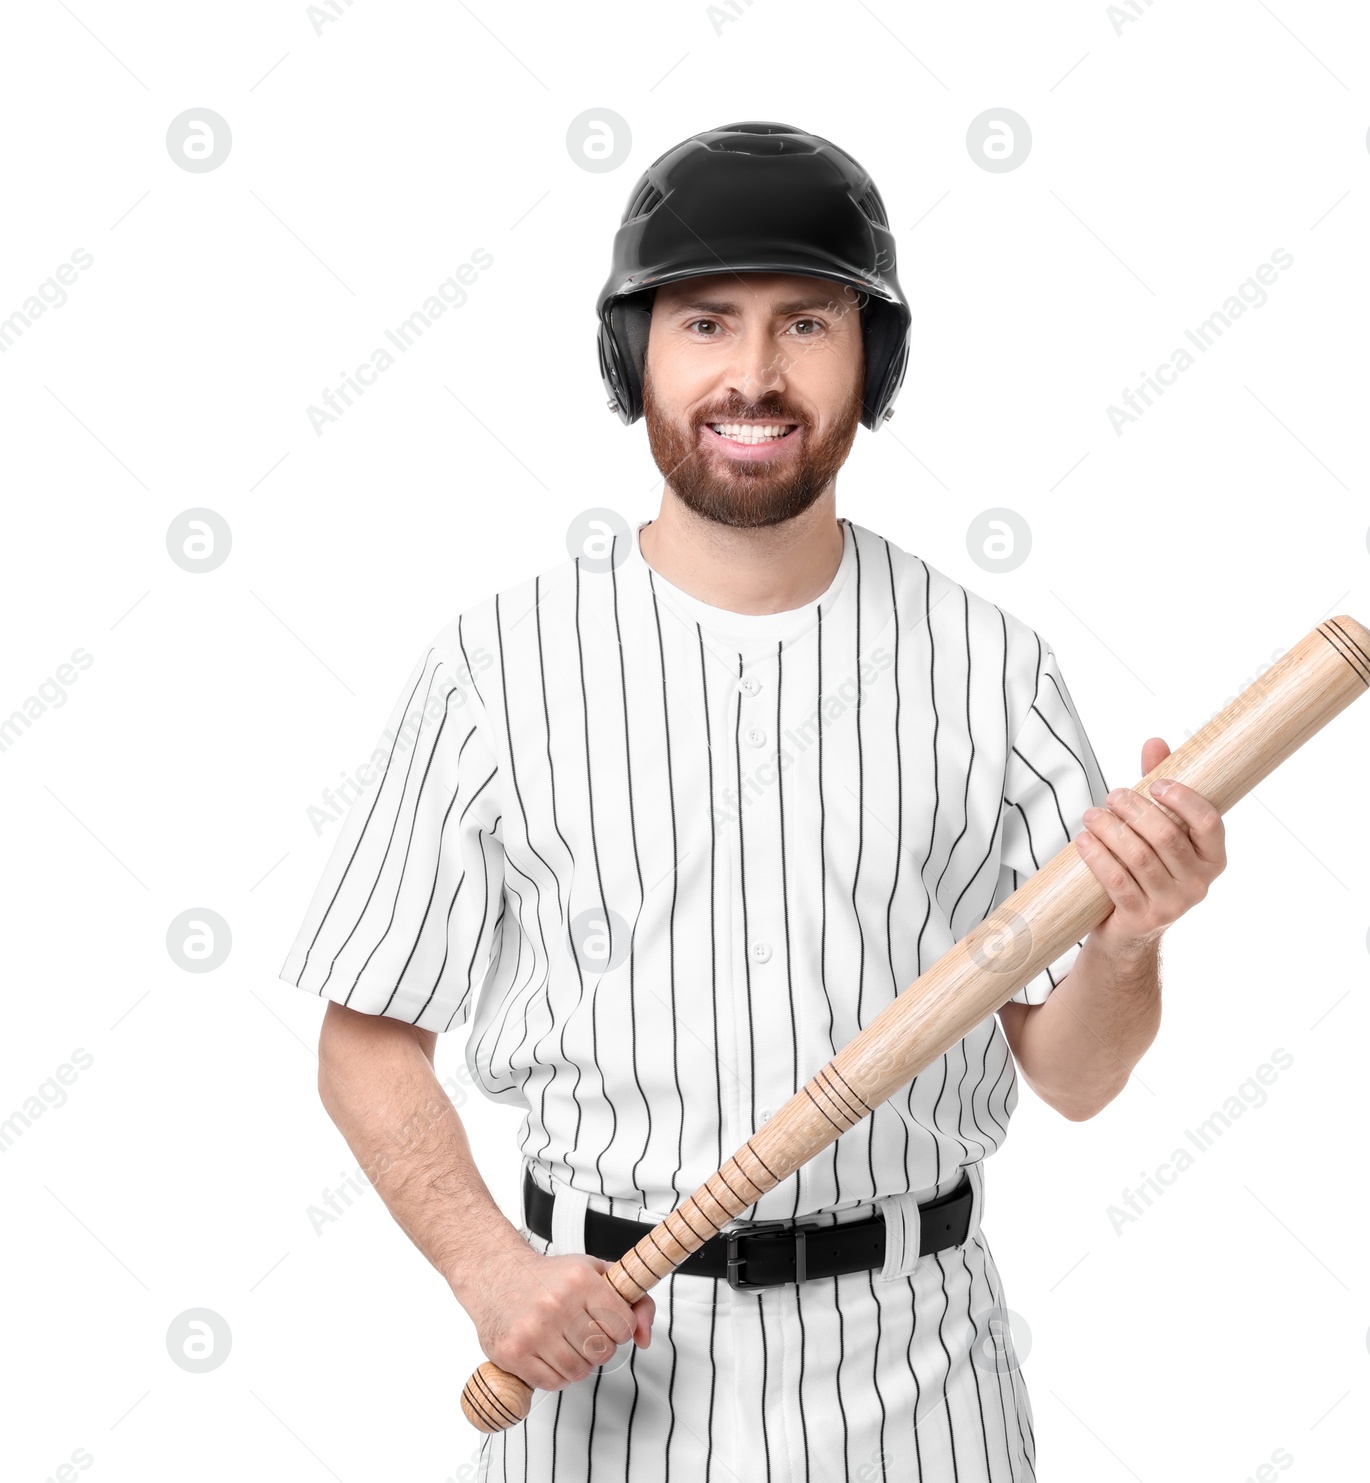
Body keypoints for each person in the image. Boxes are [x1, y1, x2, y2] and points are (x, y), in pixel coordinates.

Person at [279, 120, 1227, 1481]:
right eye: (707, 323)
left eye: (808, 323)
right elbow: (365, 1036)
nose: (755, 374)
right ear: (636, 357)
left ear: (870, 362)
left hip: (920, 1379)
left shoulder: (993, 669)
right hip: (596, 1372)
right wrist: (492, 1275)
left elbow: (1074, 1076)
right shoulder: (495, 670)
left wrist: (1133, 933)